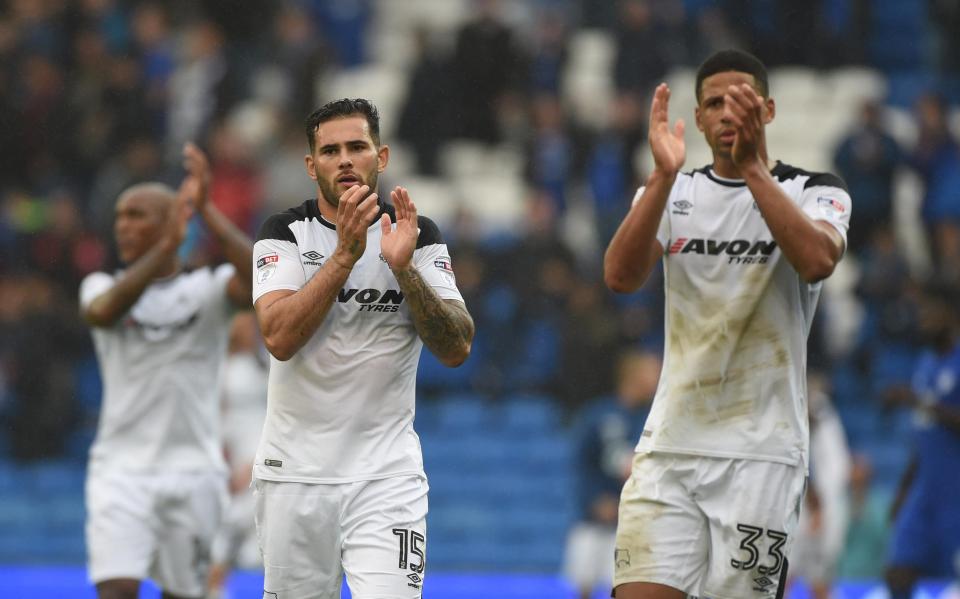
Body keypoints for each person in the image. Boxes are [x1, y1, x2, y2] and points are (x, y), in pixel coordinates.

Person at [603, 49, 852, 599]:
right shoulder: (674, 191)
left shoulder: (816, 190)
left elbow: (817, 261)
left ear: (767, 110)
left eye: (739, 101)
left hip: (761, 452)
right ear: (697, 119)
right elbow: (620, 277)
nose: (726, 113)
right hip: (670, 445)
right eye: (713, 103)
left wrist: (754, 171)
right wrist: (663, 175)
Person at [251, 98, 475, 598]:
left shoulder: (417, 236)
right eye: (330, 151)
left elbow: (457, 346)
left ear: (382, 156)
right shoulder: (284, 233)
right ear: (311, 166)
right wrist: (344, 259)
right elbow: (279, 338)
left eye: (358, 146)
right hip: (294, 475)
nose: (345, 159)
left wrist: (403, 268)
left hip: (385, 476)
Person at [79, 142, 254, 599]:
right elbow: (101, 314)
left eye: (138, 215)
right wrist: (164, 250)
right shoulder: (101, 286)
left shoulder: (208, 290)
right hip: (120, 470)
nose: (124, 225)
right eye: (121, 215)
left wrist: (208, 211)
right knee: (116, 588)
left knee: (185, 594)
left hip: (195, 470)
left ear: (172, 220)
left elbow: (263, 280)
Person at [882, 282, 960, 599]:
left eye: (930, 312)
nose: (923, 319)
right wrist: (903, 490)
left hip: (955, 493)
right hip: (925, 491)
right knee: (897, 574)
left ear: (952, 315)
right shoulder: (925, 363)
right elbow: (924, 437)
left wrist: (919, 402)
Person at [563, 350, 660, 599]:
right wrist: (594, 499)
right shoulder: (598, 414)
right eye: (651, 371)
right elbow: (583, 463)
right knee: (583, 583)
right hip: (591, 518)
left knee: (619, 586)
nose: (658, 377)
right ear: (633, 375)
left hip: (631, 522)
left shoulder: (653, 419)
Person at [206, 311, 269, 599]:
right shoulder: (221, 368)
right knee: (222, 527)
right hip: (231, 459)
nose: (243, 330)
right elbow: (214, 418)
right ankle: (214, 590)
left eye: (248, 325)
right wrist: (223, 463)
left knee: (257, 521)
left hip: (263, 450)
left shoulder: (265, 364)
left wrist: (257, 460)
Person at [788, 373, 852, 599]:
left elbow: (811, 413)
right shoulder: (810, 411)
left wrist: (819, 510)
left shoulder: (820, 408)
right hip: (809, 501)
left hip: (825, 503)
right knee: (786, 573)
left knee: (817, 578)